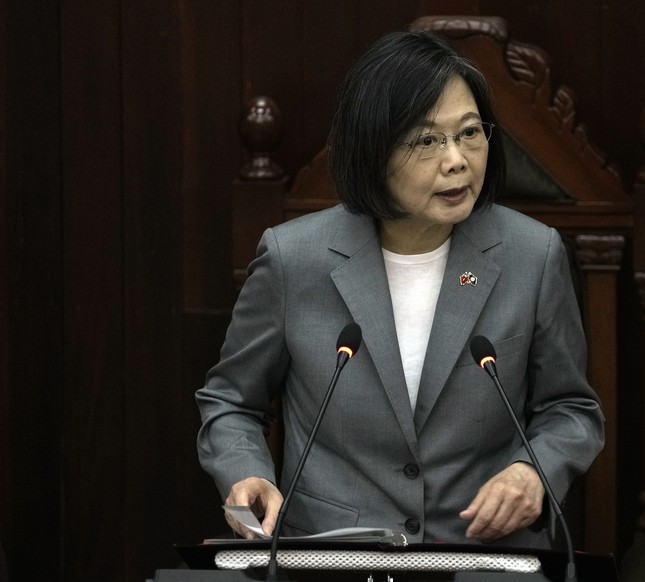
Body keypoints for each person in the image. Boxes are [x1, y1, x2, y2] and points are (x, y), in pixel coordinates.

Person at [196, 29, 605, 549]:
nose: (457, 159)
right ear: (373, 150)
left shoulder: (533, 256)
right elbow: (231, 400)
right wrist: (243, 472)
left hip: (482, 554)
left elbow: (570, 408)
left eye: (470, 132)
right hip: (334, 552)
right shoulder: (293, 260)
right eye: (428, 140)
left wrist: (534, 472)